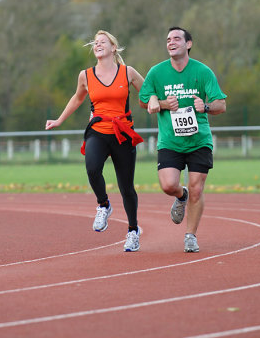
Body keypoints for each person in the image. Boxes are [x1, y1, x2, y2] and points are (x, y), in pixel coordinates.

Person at [46, 30, 144, 252]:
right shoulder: (85, 75)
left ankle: (133, 231)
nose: (98, 45)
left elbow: (147, 92)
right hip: (98, 130)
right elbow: (77, 98)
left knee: (126, 187)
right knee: (92, 168)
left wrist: (158, 103)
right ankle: (104, 205)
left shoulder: (127, 72)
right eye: (95, 42)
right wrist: (60, 120)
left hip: (122, 132)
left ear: (113, 48)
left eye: (103, 42)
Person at [139, 26, 227, 253]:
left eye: (177, 38)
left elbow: (221, 104)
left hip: (199, 140)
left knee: (197, 189)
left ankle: (190, 236)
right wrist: (163, 103)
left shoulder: (203, 71)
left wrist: (205, 106)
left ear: (188, 44)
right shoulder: (157, 72)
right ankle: (181, 195)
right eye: (168, 39)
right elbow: (143, 100)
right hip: (170, 141)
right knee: (168, 185)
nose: (171, 42)